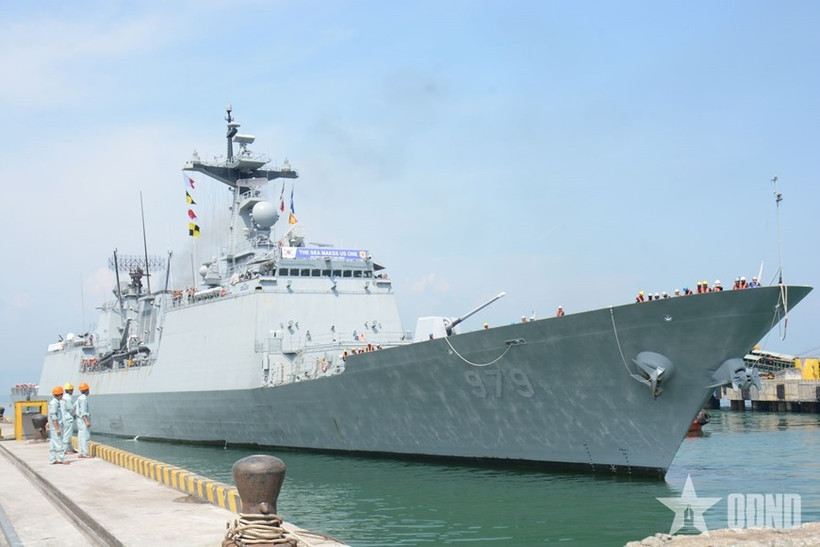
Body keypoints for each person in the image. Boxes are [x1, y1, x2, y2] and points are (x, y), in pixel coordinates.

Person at [48, 386, 69, 465]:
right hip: (56, 426)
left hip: (54, 426)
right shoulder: (54, 404)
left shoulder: (54, 402)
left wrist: (49, 422)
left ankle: (52, 459)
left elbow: (50, 415)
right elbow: (54, 416)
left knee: (53, 444)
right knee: (59, 442)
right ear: (59, 394)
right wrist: (57, 428)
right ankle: (62, 458)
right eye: (61, 394)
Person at [74, 382, 92, 458]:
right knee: (85, 437)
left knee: (80, 436)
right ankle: (85, 453)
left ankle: (80, 452)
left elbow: (74, 407)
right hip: (83, 420)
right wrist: (86, 421)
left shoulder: (79, 398)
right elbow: (83, 411)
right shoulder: (84, 399)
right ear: (86, 390)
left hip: (79, 419)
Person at [61, 382, 77, 455]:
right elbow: (71, 409)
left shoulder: (63, 397)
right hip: (68, 419)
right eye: (72, 390)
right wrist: (74, 414)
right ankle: (65, 450)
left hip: (64, 418)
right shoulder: (68, 398)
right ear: (70, 390)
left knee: (67, 434)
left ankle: (70, 448)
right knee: (68, 434)